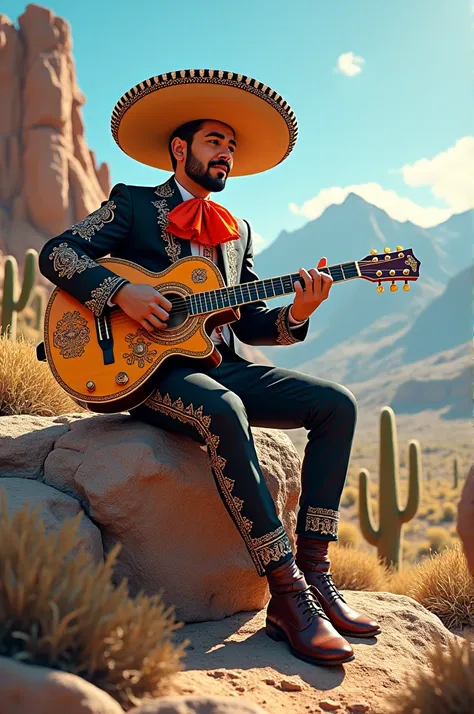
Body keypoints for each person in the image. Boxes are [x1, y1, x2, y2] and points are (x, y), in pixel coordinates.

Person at [37, 68, 381, 666]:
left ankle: (317, 571)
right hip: (142, 374)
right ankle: (287, 595)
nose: (225, 153)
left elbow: (247, 323)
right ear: (180, 148)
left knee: (338, 404)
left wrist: (297, 312)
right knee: (225, 408)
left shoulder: (236, 232)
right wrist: (122, 294)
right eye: (214, 141)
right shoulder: (135, 205)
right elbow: (57, 252)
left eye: (230, 146)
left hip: (218, 364)